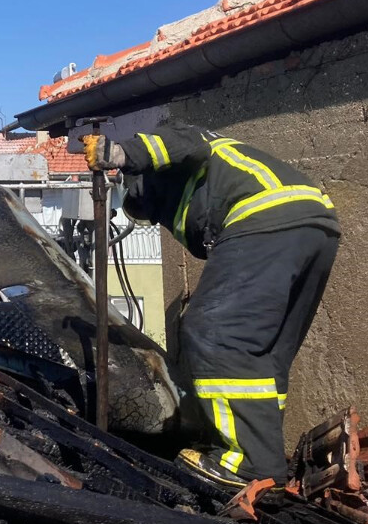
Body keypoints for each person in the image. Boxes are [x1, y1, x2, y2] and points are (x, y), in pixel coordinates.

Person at [82, 122, 340, 489]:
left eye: (154, 212)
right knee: (262, 354)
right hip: (315, 225)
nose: (159, 221)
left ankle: (250, 464)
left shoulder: (187, 145)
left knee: (216, 333)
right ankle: (257, 451)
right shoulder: (217, 173)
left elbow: (183, 140)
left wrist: (122, 154)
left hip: (265, 216)